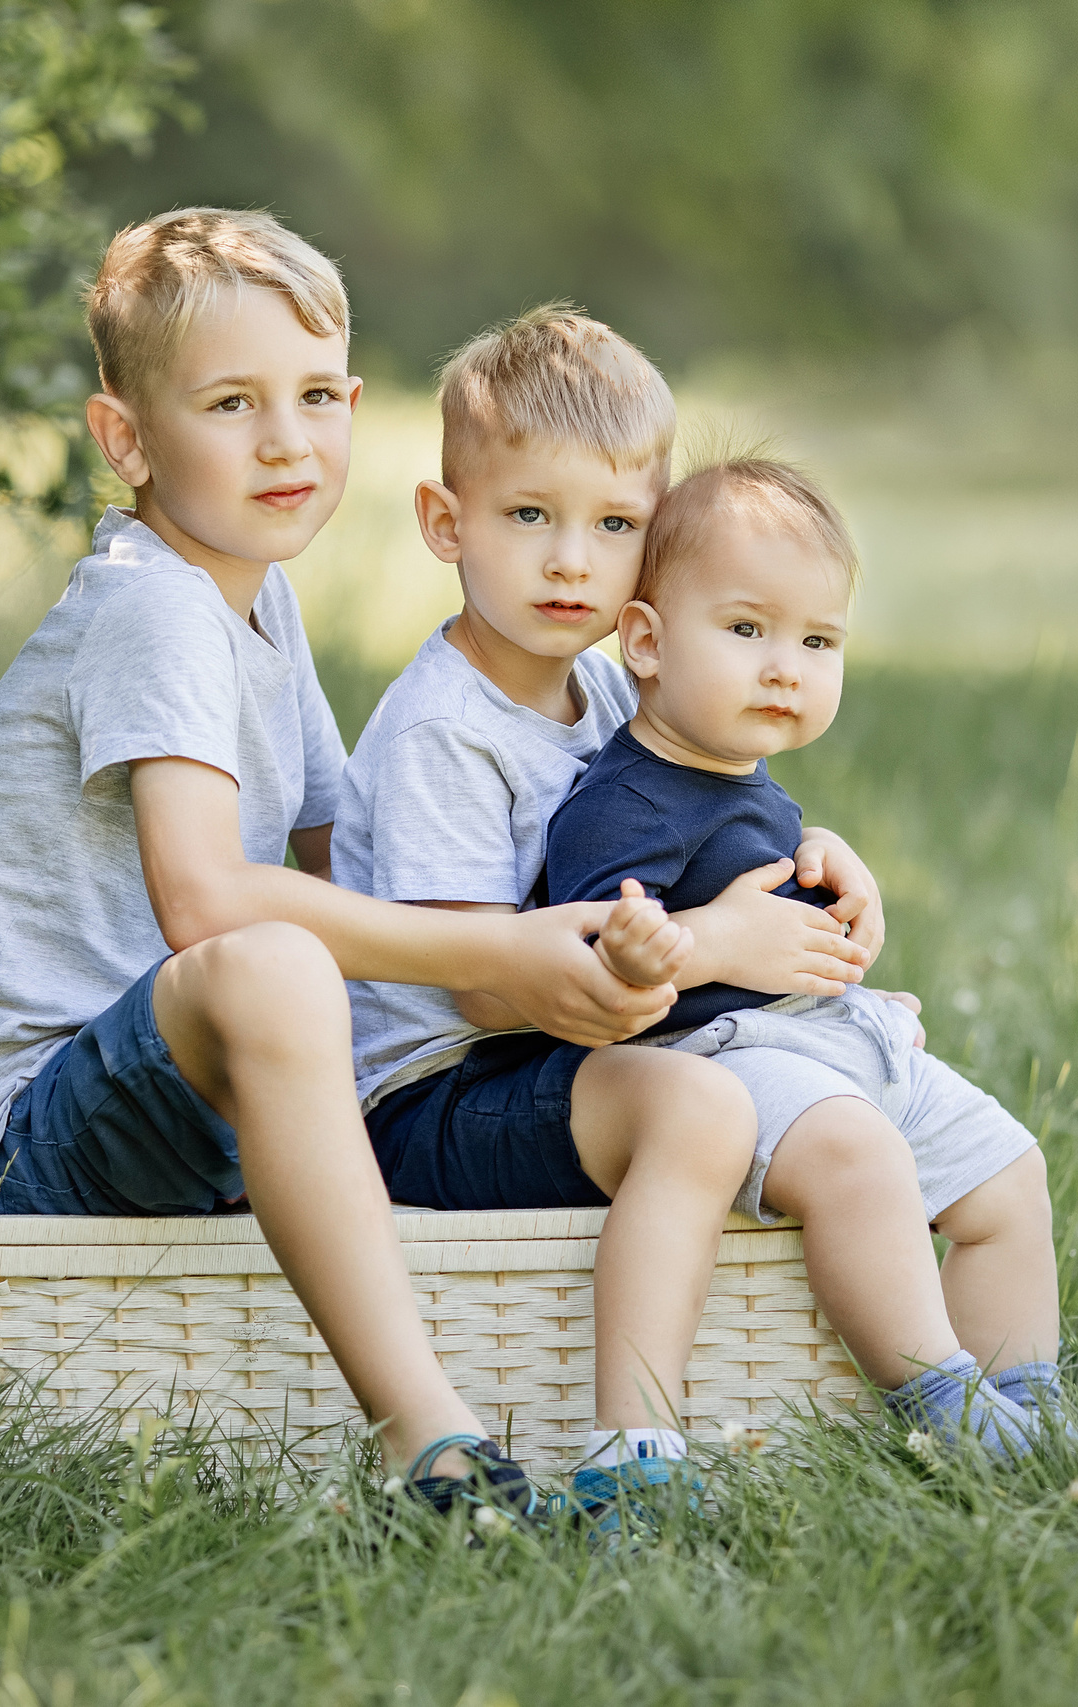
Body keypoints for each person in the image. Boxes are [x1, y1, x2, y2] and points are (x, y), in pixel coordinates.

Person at [0, 211, 681, 1519]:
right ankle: (429, 1441)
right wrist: (495, 953)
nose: (286, 440)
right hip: (36, 1117)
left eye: (316, 396)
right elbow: (205, 901)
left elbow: (337, 847)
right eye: (231, 403)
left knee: (317, 979)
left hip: (172, 1084)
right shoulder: (154, 605)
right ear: (126, 440)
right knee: (267, 967)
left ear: (356, 405)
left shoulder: (258, 595)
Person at [333, 308, 898, 1529]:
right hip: (438, 1096)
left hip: (564, 1055)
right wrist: (712, 949)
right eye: (527, 516)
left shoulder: (602, 680)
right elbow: (481, 989)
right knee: (700, 1102)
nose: (569, 564)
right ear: (447, 524)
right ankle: (631, 1449)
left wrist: (810, 862)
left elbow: (701, 817)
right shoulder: (446, 730)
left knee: (831, 1074)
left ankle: (944, 1365)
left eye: (614, 527)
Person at [545, 455, 1069, 1460]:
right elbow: (585, 961)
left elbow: (750, 865)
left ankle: (1027, 1400)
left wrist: (822, 859)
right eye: (745, 630)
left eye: (816, 639)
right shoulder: (624, 800)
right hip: (715, 1056)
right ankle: (938, 1397)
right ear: (646, 643)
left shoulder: (742, 774)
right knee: (859, 1155)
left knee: (1006, 1174)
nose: (784, 664)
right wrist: (690, 944)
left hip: (817, 1039)